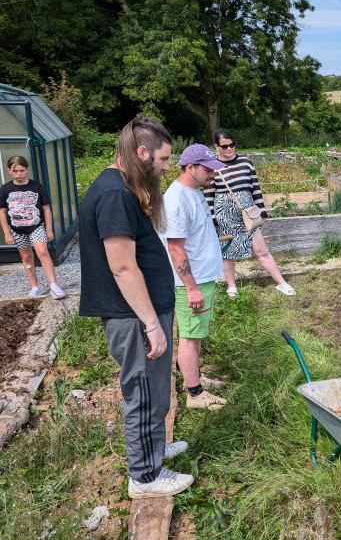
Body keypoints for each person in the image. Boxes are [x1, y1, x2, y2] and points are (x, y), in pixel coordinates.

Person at [79, 117, 193, 499]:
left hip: (143, 314)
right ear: (142, 152)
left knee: (155, 390)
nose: (167, 167)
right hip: (133, 319)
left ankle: (154, 448)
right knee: (143, 392)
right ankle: (144, 477)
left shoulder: (123, 187)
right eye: (163, 159)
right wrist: (152, 324)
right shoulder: (114, 194)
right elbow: (123, 267)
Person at [162, 144, 228, 410]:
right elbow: (175, 248)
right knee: (189, 337)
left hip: (201, 277)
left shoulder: (193, 192)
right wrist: (190, 288)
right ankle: (195, 394)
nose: (213, 174)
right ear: (190, 168)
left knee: (196, 333)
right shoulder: (177, 200)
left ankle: (195, 378)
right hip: (191, 283)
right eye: (207, 169)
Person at [205, 129, 295, 298]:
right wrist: (213, 220)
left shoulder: (246, 162)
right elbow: (208, 197)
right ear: (216, 146)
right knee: (228, 252)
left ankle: (281, 283)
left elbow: (256, 188)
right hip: (225, 214)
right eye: (225, 146)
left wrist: (262, 212)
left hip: (248, 213)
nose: (229, 148)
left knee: (261, 249)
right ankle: (232, 287)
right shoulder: (212, 167)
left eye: (232, 144)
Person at [0, 156, 66, 299]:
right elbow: (2, 212)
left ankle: (54, 285)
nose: (19, 174)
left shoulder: (36, 187)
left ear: (27, 169)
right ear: (9, 170)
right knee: (26, 256)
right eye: (15, 171)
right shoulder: (5, 189)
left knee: (42, 251)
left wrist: (49, 229)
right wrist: (7, 233)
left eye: (22, 170)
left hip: (36, 226)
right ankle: (35, 287)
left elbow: (46, 209)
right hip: (17, 229)